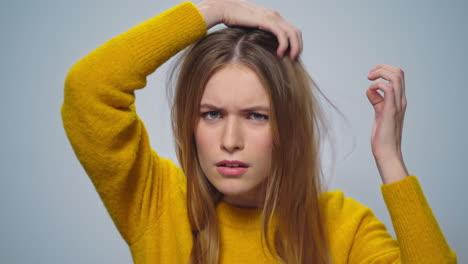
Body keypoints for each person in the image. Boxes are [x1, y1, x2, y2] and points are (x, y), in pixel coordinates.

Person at [61, 0, 457, 263]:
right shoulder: (159, 204)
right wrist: (216, 8)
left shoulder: (343, 227)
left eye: (256, 116)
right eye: (212, 114)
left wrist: (390, 158)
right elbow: (88, 90)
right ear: (190, 123)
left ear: (287, 125)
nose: (230, 140)